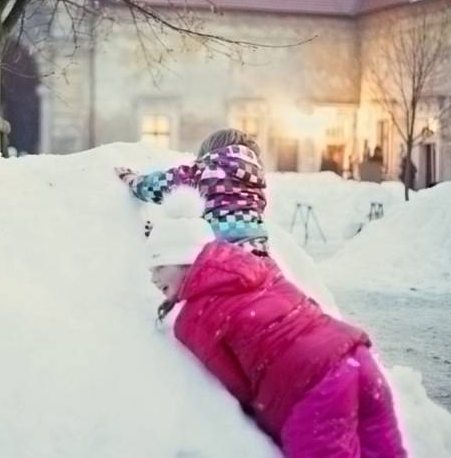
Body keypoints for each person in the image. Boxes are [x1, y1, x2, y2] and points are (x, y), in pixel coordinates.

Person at [147, 187, 407, 458]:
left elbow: (238, 385)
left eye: (159, 266)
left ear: (185, 260)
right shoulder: (253, 266)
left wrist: (265, 417)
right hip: (355, 356)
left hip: (311, 385)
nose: (153, 278)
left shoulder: (194, 319)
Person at [116, 128, 268, 256]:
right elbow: (210, 219)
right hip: (259, 252)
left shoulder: (208, 167)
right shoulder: (256, 182)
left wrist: (133, 180)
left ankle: (166, 236)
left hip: (225, 254)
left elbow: (163, 184)